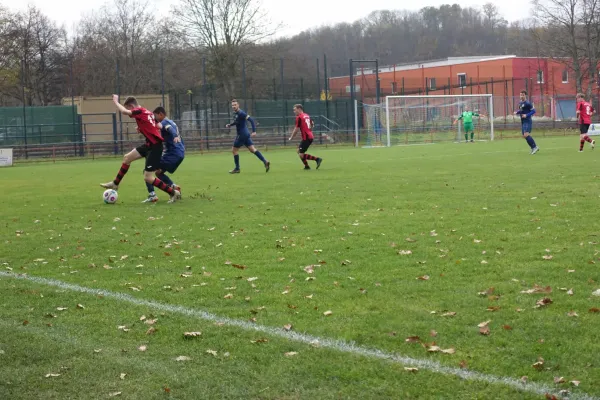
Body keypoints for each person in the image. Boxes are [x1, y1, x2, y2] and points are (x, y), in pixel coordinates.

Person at [100, 95, 181, 203]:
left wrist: (116, 102)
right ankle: (115, 184)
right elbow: (159, 126)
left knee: (148, 177)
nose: (130, 112)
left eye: (129, 108)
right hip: (148, 145)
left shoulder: (138, 110)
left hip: (155, 147)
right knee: (127, 158)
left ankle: (173, 192)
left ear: (131, 106)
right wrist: (143, 127)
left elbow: (124, 112)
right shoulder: (147, 112)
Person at [142, 107, 185, 203]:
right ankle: (174, 187)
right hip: (179, 153)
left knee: (147, 170)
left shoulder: (165, 123)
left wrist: (174, 136)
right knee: (158, 172)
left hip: (173, 154)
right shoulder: (171, 121)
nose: (155, 118)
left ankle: (152, 195)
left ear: (161, 114)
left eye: (156, 116)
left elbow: (169, 130)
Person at [226, 99, 270, 174]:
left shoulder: (241, 113)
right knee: (252, 149)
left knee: (234, 150)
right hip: (245, 134)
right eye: (232, 105)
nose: (233, 106)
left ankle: (237, 168)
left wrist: (254, 131)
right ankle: (265, 161)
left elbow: (251, 120)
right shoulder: (236, 113)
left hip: (242, 134)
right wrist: (230, 125)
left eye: (235, 105)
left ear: (238, 105)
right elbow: (237, 122)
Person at [289, 104, 322, 170]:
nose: (294, 111)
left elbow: (296, 129)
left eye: (295, 110)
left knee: (301, 154)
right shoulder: (306, 115)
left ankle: (317, 159)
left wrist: (291, 137)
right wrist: (309, 130)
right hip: (309, 136)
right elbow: (312, 124)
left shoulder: (299, 117)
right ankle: (306, 166)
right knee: (298, 151)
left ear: (299, 109)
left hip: (306, 137)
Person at [515, 90, 540, 155]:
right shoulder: (520, 103)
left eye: (523, 95)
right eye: (520, 95)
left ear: (525, 95)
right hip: (523, 121)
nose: (521, 96)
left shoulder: (528, 103)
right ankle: (533, 148)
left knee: (526, 134)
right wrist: (517, 112)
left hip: (527, 121)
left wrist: (526, 115)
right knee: (524, 136)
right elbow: (521, 111)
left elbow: (533, 111)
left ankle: (535, 147)